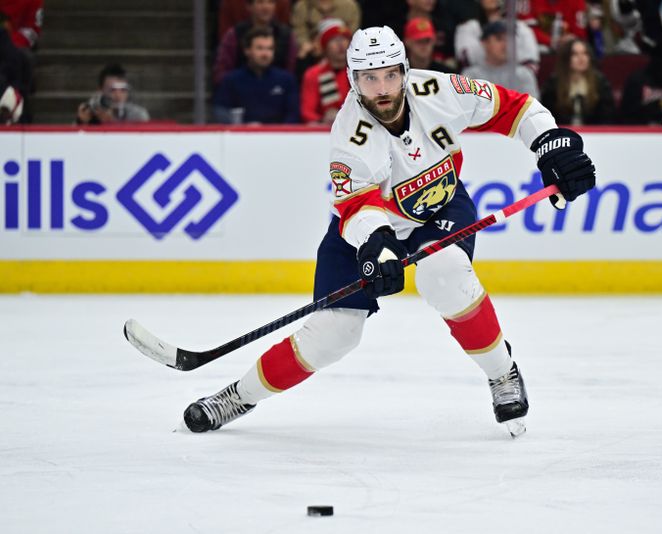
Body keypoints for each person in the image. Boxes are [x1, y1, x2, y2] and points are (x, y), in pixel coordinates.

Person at [182, 26, 596, 437]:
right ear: (352, 80)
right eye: (369, 78)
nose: (382, 89)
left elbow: (516, 108)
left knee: (445, 272)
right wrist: (378, 246)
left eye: (390, 75)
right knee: (334, 335)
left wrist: (550, 144)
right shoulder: (350, 133)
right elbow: (356, 207)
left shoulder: (439, 90)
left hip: (441, 208)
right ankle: (237, 397)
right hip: (366, 229)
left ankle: (502, 373)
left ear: (405, 71)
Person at [214, 27, 299, 124]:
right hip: (242, 137)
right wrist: (244, 128)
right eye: (260, 48)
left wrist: (277, 133)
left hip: (279, 137)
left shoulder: (286, 80)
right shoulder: (231, 80)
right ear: (247, 50)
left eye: (270, 48)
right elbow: (221, 111)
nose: (265, 54)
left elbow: (293, 115)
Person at [213, 0, 296, 86]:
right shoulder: (235, 34)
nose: (266, 7)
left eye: (270, 2)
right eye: (260, 2)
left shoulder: (286, 35)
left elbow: (290, 73)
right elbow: (221, 71)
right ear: (249, 6)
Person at [541, 38, 615, 125]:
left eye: (585, 53)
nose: (581, 58)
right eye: (575, 54)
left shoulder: (600, 82)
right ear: (566, 59)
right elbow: (547, 118)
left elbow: (607, 117)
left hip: (595, 134)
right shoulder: (553, 84)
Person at [454, 0, 540, 70]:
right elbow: (465, 61)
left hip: (513, 84)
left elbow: (531, 65)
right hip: (479, 83)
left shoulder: (521, 28)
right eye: (499, 39)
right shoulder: (468, 27)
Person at [463, 21, 540, 98]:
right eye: (499, 39)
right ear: (485, 43)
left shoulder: (523, 74)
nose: (505, 44)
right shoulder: (471, 76)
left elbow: (532, 108)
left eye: (509, 39)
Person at [300, 19, 351, 124]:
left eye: (344, 39)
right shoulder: (314, 74)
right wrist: (322, 120)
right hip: (325, 131)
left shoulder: (358, 73)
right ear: (325, 46)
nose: (340, 44)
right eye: (334, 40)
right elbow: (307, 112)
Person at [75, 64, 150, 125]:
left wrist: (111, 122)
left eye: (123, 90)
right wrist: (81, 122)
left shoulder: (137, 114)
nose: (118, 95)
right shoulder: (93, 110)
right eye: (112, 90)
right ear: (100, 90)